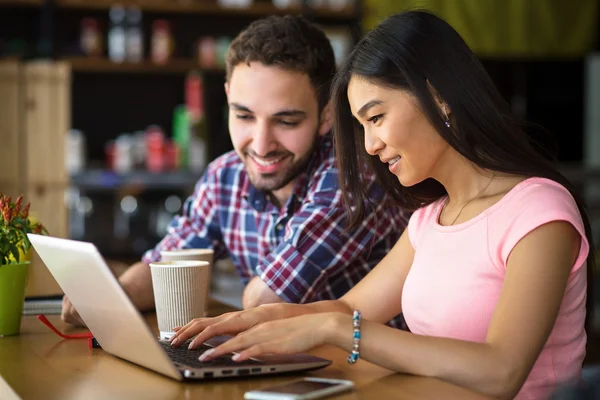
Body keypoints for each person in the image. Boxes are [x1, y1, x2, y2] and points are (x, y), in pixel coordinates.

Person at [169, 10, 596, 400]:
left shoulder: (538, 213)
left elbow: (501, 370)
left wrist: (338, 330)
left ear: (438, 97)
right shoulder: (431, 219)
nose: (370, 146)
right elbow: (349, 308)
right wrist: (255, 321)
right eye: (361, 126)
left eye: (376, 118)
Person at [61, 15, 408, 328]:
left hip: (377, 375)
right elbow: (164, 270)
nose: (260, 144)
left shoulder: (352, 178)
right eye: (243, 116)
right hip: (293, 367)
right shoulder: (224, 176)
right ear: (227, 98)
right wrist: (107, 298)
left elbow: (264, 300)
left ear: (328, 114)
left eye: (286, 121)